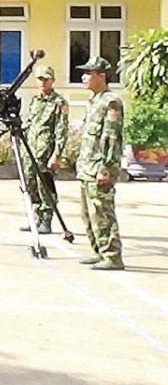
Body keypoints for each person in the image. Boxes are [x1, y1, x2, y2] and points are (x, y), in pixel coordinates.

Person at [76, 57, 125, 271]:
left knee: (103, 213)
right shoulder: (95, 101)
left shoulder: (111, 102)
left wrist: (104, 169)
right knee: (88, 214)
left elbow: (110, 138)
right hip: (87, 168)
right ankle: (100, 251)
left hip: (99, 168)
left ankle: (113, 256)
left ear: (101, 76)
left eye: (89, 73)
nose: (83, 77)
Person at [19, 66, 69, 235]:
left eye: (46, 79)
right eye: (40, 79)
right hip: (30, 150)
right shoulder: (35, 101)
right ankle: (35, 218)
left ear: (52, 80)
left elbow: (61, 131)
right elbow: (28, 123)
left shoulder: (59, 103)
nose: (42, 82)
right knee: (30, 184)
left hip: (45, 153)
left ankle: (46, 219)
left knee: (45, 186)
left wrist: (56, 155)